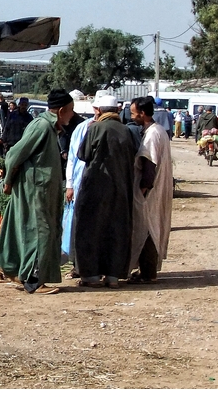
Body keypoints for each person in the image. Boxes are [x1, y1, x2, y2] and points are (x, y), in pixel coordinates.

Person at [0, 89, 75, 295]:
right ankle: (34, 281)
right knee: (41, 233)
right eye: (70, 111)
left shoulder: (50, 128)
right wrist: (8, 180)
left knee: (35, 231)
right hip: (35, 190)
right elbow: (15, 153)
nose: (71, 115)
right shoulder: (41, 126)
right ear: (62, 110)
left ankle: (24, 274)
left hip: (43, 191)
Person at [73, 93, 138, 289]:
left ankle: (91, 276)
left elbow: (83, 154)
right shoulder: (126, 131)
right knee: (116, 229)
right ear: (117, 110)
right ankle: (113, 277)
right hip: (121, 188)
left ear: (99, 111)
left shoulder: (95, 128)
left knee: (90, 229)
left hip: (96, 186)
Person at [128, 96, 174, 284]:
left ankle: (148, 273)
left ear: (143, 113)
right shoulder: (156, 131)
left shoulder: (153, 134)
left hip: (150, 192)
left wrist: (143, 189)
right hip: (155, 190)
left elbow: (149, 164)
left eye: (133, 113)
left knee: (148, 230)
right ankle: (146, 271)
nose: (131, 117)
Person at [61, 92, 106, 268]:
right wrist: (70, 185)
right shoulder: (83, 128)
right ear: (96, 110)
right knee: (76, 223)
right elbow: (72, 158)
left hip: (102, 186)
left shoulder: (114, 129)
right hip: (80, 183)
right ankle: (76, 263)